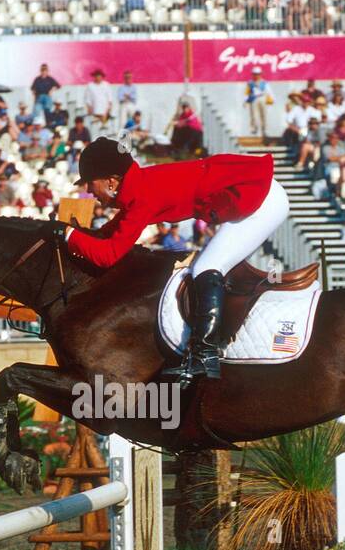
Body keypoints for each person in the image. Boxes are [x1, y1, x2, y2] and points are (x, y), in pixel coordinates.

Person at [56, 136, 288, 384]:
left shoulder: (142, 196)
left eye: (90, 184)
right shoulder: (138, 187)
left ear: (112, 181)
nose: (88, 191)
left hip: (261, 198)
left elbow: (108, 256)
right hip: (254, 192)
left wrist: (67, 234)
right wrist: (77, 236)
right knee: (208, 265)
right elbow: (109, 233)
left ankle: (204, 355)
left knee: (205, 267)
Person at [245, 66, 273, 139]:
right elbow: (247, 92)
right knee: (254, 115)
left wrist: (271, 99)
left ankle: (265, 130)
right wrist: (245, 101)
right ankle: (254, 129)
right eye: (255, 74)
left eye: (258, 74)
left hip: (262, 98)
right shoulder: (250, 83)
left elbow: (268, 91)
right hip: (254, 99)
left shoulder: (264, 82)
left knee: (264, 115)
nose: (256, 75)